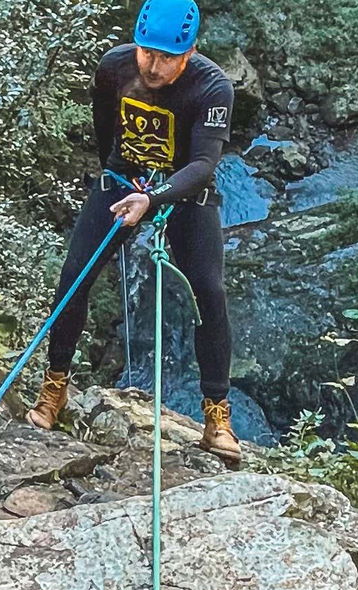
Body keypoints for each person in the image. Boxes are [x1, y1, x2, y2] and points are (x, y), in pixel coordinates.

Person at [26, 0, 242, 463]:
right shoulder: (114, 68)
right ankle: (55, 389)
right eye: (148, 53)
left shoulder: (212, 87)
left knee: (209, 290)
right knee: (74, 278)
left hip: (184, 192)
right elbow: (107, 135)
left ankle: (217, 416)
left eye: (167, 57)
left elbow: (204, 166)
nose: (154, 66)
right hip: (125, 183)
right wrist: (120, 181)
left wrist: (155, 198)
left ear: (190, 52)